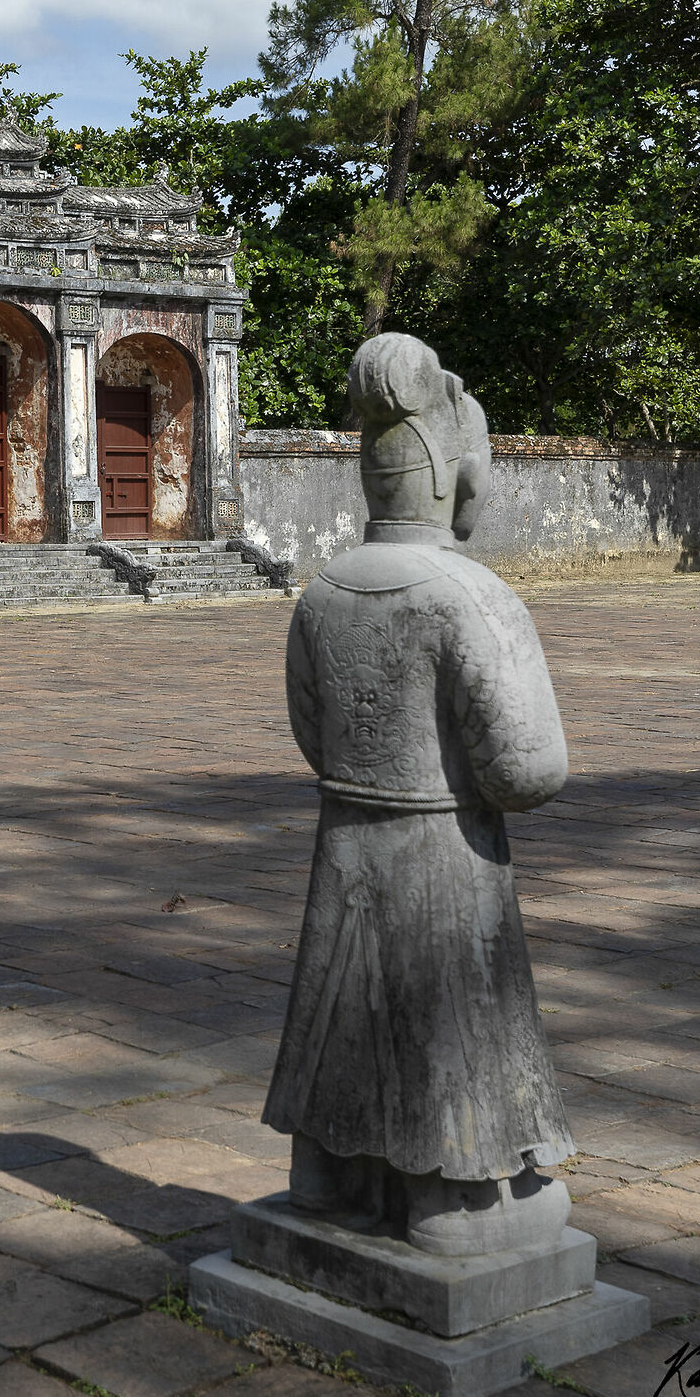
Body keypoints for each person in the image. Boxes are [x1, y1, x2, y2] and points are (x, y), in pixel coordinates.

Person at [265, 332, 576, 1257]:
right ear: (453, 476)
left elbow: (313, 730)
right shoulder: (470, 596)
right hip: (446, 856)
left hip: (348, 839)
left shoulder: (321, 593)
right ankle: (450, 1196)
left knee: (340, 1000)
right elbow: (527, 771)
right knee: (449, 1021)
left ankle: (328, 1174)